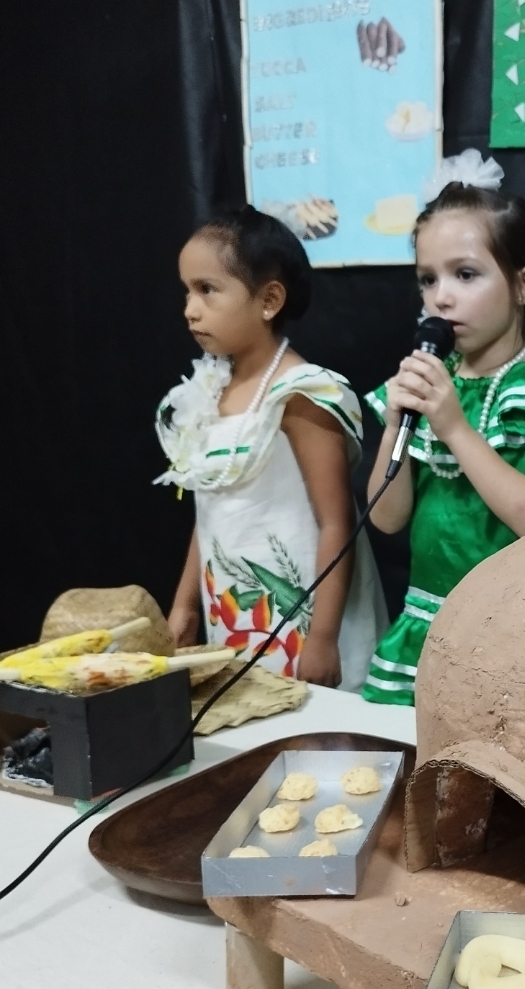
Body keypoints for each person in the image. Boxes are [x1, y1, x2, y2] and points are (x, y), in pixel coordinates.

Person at [362, 155, 525, 705]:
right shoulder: (430, 385)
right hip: (426, 625)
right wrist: (396, 424)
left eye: (466, 274)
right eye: (428, 279)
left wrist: (454, 426)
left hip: (508, 630)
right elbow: (386, 516)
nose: (442, 296)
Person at [156, 206, 387, 690]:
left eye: (207, 289)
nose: (190, 309)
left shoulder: (302, 394)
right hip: (237, 615)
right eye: (187, 291)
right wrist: (184, 605)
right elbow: (210, 509)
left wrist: (322, 638)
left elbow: (337, 523)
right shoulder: (209, 390)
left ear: (269, 300)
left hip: (308, 623)